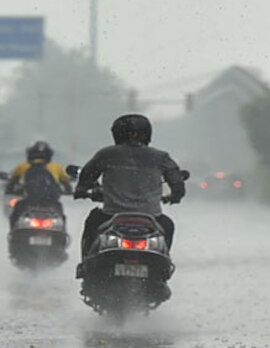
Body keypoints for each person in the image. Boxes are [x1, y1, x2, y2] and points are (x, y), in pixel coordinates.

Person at [73, 114, 186, 276]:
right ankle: (163, 270)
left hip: (110, 215)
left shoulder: (107, 154)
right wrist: (176, 196)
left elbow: (87, 175)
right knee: (168, 225)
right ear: (147, 133)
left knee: (92, 222)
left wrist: (81, 190)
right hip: (151, 217)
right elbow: (177, 183)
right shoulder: (161, 157)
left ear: (117, 133)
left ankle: (85, 266)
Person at [5, 140, 73, 225]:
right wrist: (69, 191)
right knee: (61, 215)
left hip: (30, 200)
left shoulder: (23, 166)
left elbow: (12, 182)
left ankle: (12, 234)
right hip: (51, 201)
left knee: (15, 214)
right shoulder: (56, 167)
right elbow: (66, 183)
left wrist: (10, 190)